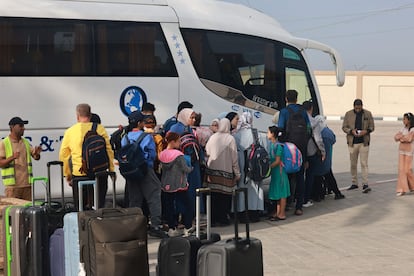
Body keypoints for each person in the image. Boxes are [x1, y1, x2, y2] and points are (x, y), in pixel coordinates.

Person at [121, 111, 167, 238]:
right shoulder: (146, 137)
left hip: (131, 172)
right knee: (154, 197)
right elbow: (152, 154)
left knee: (135, 199)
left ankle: (133, 227)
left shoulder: (125, 137)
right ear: (139, 123)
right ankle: (155, 226)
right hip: (145, 169)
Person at [59, 104, 114, 210]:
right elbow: (109, 151)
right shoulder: (99, 129)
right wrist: (111, 170)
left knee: (80, 208)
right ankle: (98, 225)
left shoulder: (70, 131)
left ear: (77, 115)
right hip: (99, 173)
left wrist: (68, 175)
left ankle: (82, 226)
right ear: (90, 114)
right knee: (98, 207)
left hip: (79, 173)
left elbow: (64, 155)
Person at [277, 89, 311, 216]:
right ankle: (299, 207)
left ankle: (287, 203)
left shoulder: (284, 112)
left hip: (288, 149)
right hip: (301, 149)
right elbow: (308, 130)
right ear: (297, 99)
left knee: (286, 176)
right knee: (300, 176)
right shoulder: (303, 111)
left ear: (286, 99)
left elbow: (280, 130)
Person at [205, 118, 240, 226]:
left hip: (212, 172)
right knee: (225, 197)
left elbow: (207, 152)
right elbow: (234, 157)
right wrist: (237, 172)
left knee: (213, 197)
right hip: (226, 172)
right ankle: (223, 219)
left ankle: (212, 220)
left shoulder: (213, 137)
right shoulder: (230, 139)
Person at [159, 132, 193, 236]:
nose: (180, 143)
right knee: (188, 205)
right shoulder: (178, 155)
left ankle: (171, 228)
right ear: (173, 142)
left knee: (169, 206)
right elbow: (185, 169)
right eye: (178, 141)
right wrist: (191, 168)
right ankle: (188, 227)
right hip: (180, 184)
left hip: (166, 184)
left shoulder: (162, 154)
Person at [0, 117, 42, 200]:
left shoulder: (25, 142)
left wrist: (37, 154)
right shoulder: (4, 143)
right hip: (13, 187)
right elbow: (0, 163)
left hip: (27, 186)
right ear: (12, 127)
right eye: (21, 126)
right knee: (13, 211)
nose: (23, 128)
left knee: (27, 211)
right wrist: (12, 157)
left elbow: (36, 157)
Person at [233, 111, 264, 222]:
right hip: (255, 163)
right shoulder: (256, 133)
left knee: (242, 187)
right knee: (255, 187)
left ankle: (242, 213)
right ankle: (254, 213)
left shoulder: (236, 135)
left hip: (242, 163)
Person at [342, 99, 375, 193]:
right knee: (353, 164)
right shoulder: (348, 114)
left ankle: (365, 183)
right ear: (353, 107)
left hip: (364, 142)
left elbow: (372, 127)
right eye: (356, 108)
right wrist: (351, 131)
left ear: (362, 106)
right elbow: (344, 127)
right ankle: (354, 183)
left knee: (364, 163)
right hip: (352, 142)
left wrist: (366, 131)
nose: (358, 110)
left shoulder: (368, 114)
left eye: (359, 108)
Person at [267, 125, 290, 220]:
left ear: (272, 134)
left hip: (280, 172)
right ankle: (278, 212)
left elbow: (277, 161)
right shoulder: (272, 145)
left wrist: (268, 167)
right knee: (278, 193)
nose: (267, 134)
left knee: (282, 194)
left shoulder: (279, 146)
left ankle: (282, 213)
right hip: (275, 173)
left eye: (268, 132)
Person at [393, 112, 414, 196]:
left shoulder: (412, 129)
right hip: (401, 151)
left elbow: (409, 139)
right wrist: (402, 138)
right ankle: (401, 189)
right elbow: (396, 137)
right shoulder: (403, 129)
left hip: (409, 152)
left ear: (409, 120)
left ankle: (412, 186)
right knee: (401, 170)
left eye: (404, 119)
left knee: (407, 170)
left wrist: (401, 138)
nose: (403, 121)